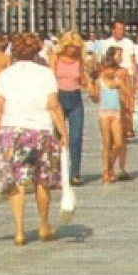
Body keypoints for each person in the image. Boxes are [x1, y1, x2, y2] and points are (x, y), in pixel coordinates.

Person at [0, 32, 69, 245]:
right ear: (36, 51)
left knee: (17, 182)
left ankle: (20, 231)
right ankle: (43, 225)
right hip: (41, 131)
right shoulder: (46, 74)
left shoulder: (6, 75)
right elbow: (53, 105)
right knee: (43, 180)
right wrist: (63, 131)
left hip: (11, 131)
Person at [51, 31, 90, 184]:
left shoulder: (79, 60)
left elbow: (82, 80)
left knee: (76, 136)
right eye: (70, 47)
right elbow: (50, 77)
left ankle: (75, 173)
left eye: (75, 47)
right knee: (57, 136)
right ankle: (56, 172)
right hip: (59, 96)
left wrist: (89, 83)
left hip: (75, 97)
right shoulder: (56, 58)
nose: (72, 50)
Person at [91, 47, 129, 184]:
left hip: (116, 113)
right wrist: (92, 89)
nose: (111, 72)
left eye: (113, 69)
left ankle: (110, 165)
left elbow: (128, 92)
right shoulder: (99, 81)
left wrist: (121, 84)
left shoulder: (117, 80)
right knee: (107, 143)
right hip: (104, 113)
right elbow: (95, 98)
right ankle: (106, 171)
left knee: (118, 143)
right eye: (108, 69)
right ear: (103, 69)